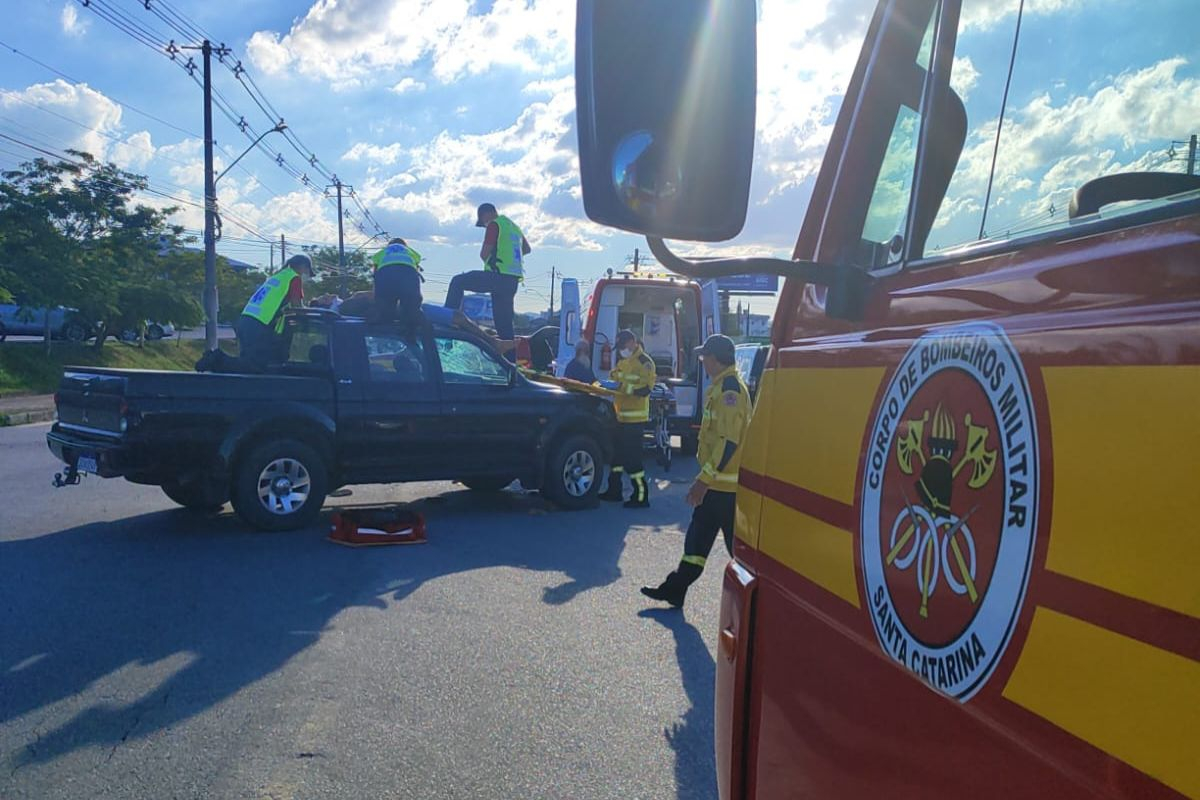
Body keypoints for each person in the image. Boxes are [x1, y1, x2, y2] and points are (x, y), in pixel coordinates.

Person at [641, 334, 751, 607]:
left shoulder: (730, 391)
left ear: (715, 359)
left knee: (739, 553)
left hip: (726, 490)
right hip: (716, 487)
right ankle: (675, 589)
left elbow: (729, 442)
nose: (702, 361)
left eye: (704, 357)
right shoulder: (720, 386)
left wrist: (703, 481)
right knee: (696, 544)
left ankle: (760, 605)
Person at [196, 254, 313, 373]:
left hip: (246, 321)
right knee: (258, 366)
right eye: (307, 271)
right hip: (258, 324)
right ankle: (216, 359)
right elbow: (297, 306)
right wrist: (310, 312)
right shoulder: (294, 278)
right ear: (303, 266)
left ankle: (217, 363)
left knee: (249, 365)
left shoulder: (278, 276)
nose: (306, 275)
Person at [443, 203, 530, 343]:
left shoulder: (494, 225)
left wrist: (494, 259)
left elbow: (484, 254)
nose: (484, 225)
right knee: (504, 326)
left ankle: (448, 319)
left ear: (485, 214)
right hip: (512, 281)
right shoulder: (514, 227)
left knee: (458, 281)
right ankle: (509, 361)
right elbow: (526, 249)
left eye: (483, 222)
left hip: (497, 275)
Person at [599, 329, 656, 508]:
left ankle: (641, 496)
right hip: (619, 417)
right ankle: (614, 490)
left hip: (635, 421)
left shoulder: (645, 363)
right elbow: (614, 377)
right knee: (616, 458)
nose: (621, 349)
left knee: (632, 461)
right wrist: (609, 383)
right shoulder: (623, 361)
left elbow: (646, 389)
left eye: (623, 345)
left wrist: (624, 388)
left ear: (632, 341)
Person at [371, 237, 423, 335]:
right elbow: (416, 268)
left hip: (386, 275)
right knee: (411, 304)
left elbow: (376, 272)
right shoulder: (410, 251)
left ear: (389, 245)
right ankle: (409, 326)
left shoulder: (383, 252)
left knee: (385, 303)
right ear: (404, 246)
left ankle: (383, 323)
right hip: (408, 275)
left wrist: (377, 296)